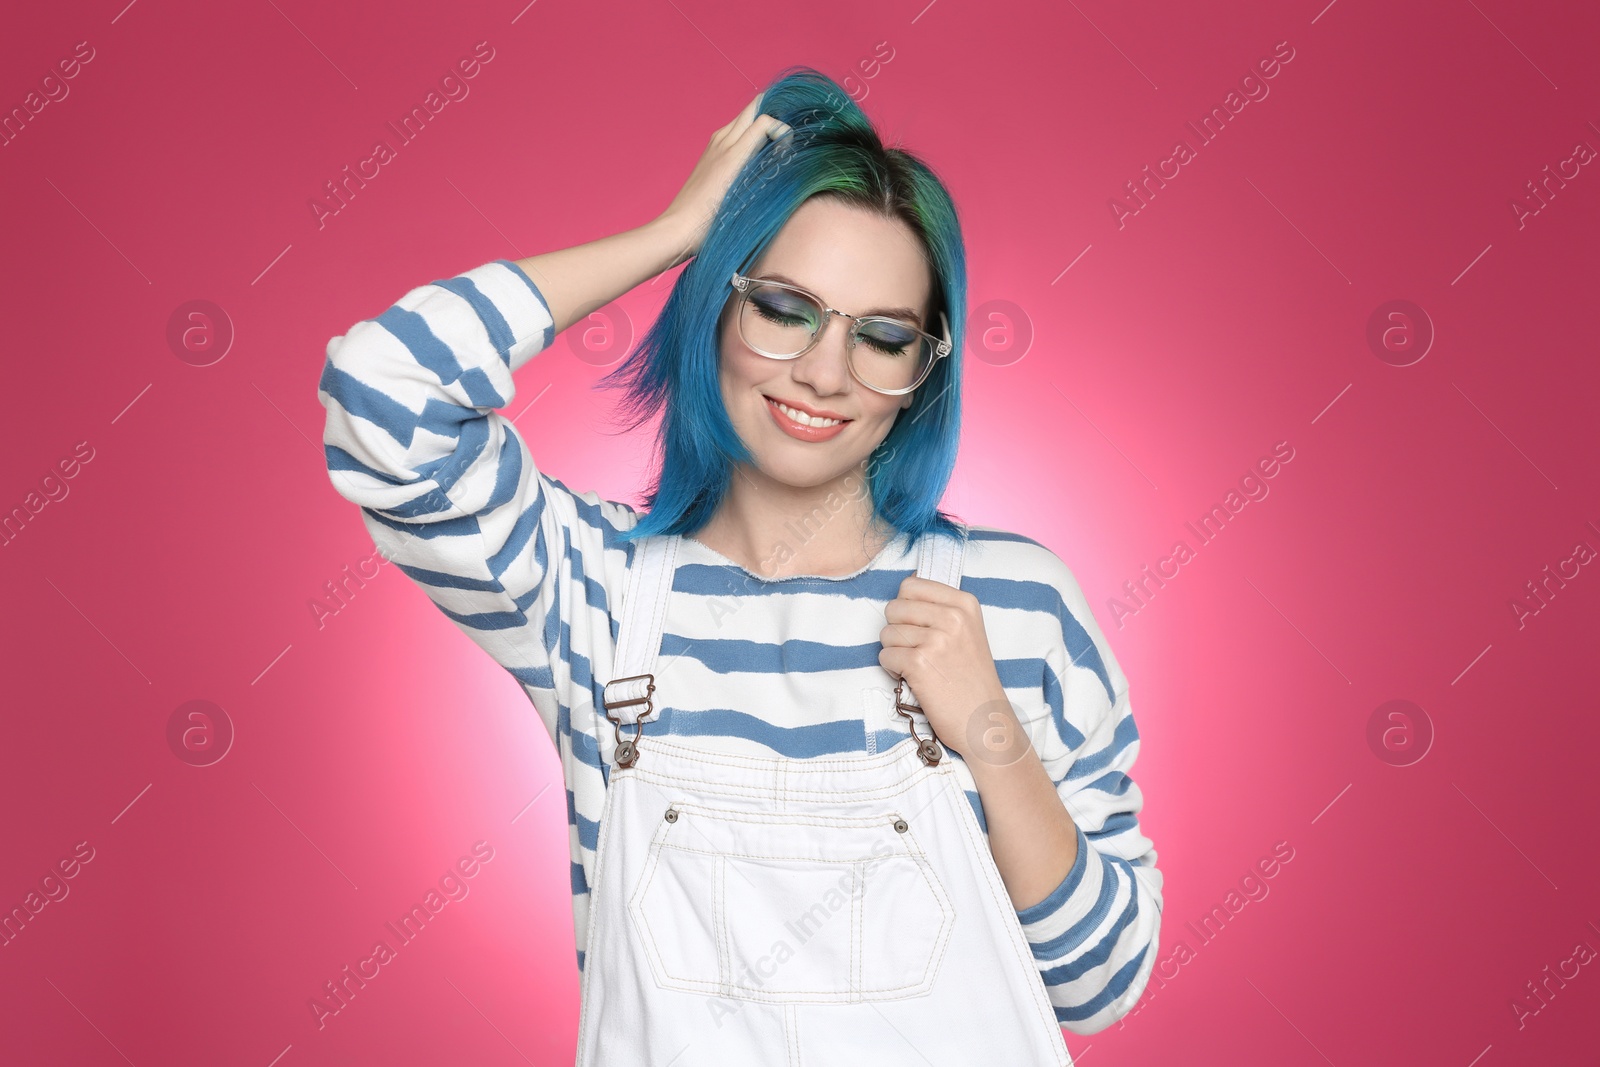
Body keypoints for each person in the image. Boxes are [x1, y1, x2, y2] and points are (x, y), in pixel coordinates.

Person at [319, 66, 1161, 1065]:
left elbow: (1099, 981)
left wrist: (990, 734)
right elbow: (381, 397)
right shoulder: (591, 594)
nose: (824, 372)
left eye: (882, 336)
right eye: (784, 308)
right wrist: (669, 238)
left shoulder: (1011, 606)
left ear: (921, 371)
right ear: (718, 305)